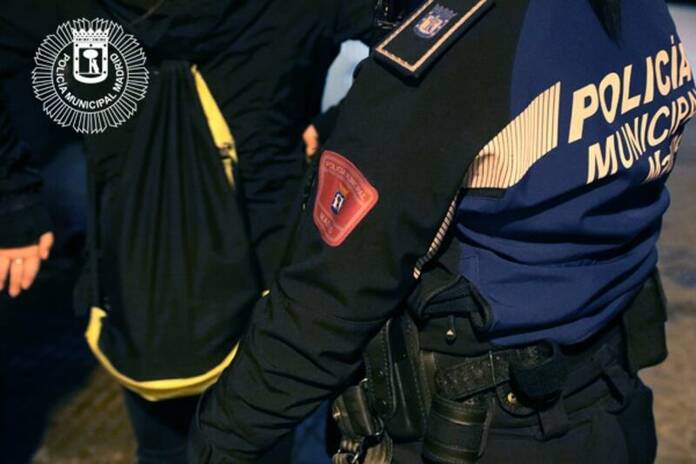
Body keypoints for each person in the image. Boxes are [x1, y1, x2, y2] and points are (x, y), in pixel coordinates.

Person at [189, 0, 696, 462]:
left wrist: (217, 442)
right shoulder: (637, 12)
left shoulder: (450, 48)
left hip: (479, 430)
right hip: (613, 404)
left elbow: (322, 307)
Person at [0, 0, 374, 462]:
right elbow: (418, 36)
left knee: (163, 446)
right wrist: (338, 127)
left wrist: (14, 202)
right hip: (263, 265)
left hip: (138, 267)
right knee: (259, 440)